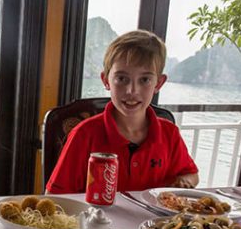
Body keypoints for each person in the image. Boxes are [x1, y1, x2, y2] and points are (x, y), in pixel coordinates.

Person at [46, 30, 199, 194]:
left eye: (145, 80)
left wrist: (184, 181)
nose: (132, 90)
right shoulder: (84, 134)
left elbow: (191, 174)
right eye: (121, 78)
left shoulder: (169, 133)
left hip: (156, 220)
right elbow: (55, 196)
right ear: (106, 80)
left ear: (158, 83)